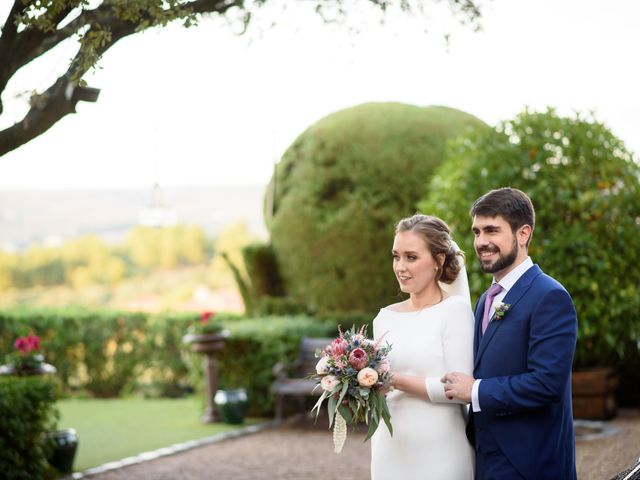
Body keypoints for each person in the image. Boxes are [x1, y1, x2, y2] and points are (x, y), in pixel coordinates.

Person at [442, 187, 578, 480]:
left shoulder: (550, 296)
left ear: (523, 233)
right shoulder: (484, 301)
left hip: (529, 464)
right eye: (477, 232)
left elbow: (547, 384)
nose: (481, 242)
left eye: (492, 230)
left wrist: (475, 391)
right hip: (485, 458)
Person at [371, 214, 475, 480]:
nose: (400, 267)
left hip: (440, 450)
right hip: (390, 448)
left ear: (439, 260)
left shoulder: (454, 311)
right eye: (396, 256)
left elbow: (458, 389)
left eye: (411, 257)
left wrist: (396, 380)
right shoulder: (384, 317)